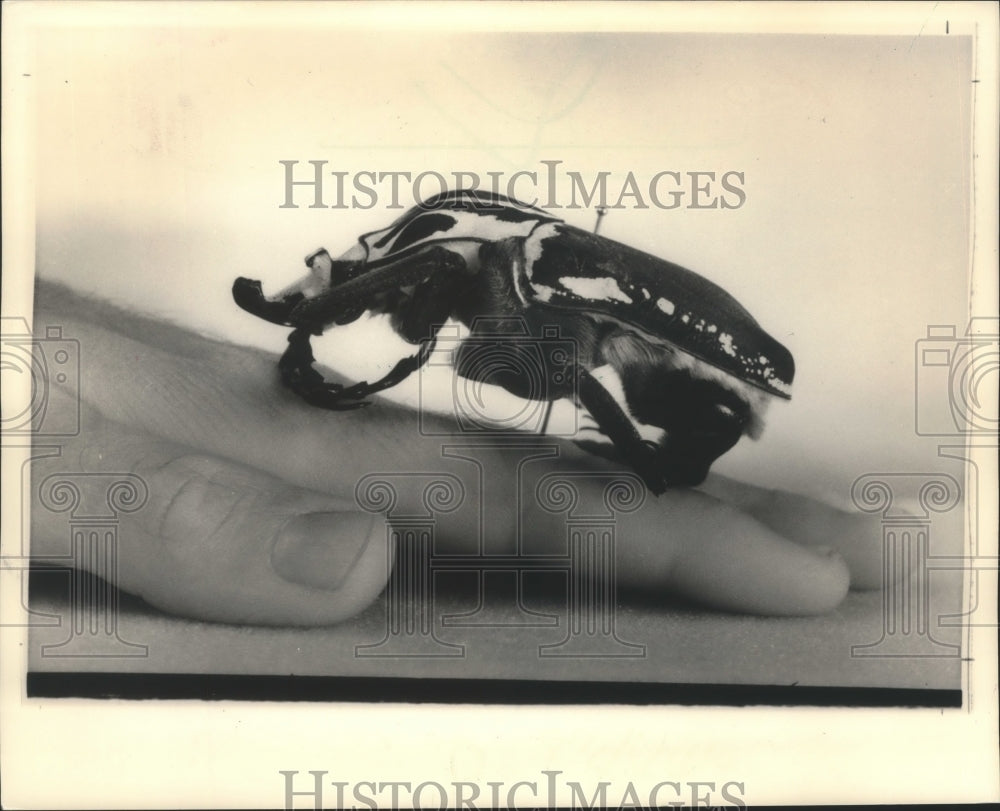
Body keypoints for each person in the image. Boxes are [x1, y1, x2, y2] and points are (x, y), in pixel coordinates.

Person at [28, 280, 882, 627]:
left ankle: (651, 468)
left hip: (682, 381)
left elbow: (536, 366)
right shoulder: (481, 280)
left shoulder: (511, 283)